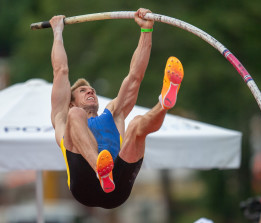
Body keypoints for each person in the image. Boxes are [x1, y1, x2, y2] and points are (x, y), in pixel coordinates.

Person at [49, 8, 184, 209]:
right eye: (83, 91)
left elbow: (135, 77)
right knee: (75, 116)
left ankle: (163, 104)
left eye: (92, 89)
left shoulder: (113, 113)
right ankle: (99, 169)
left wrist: (146, 32)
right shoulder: (64, 117)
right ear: (70, 101)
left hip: (116, 189)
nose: (91, 92)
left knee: (137, 124)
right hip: (84, 185)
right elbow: (61, 71)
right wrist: (57, 32)